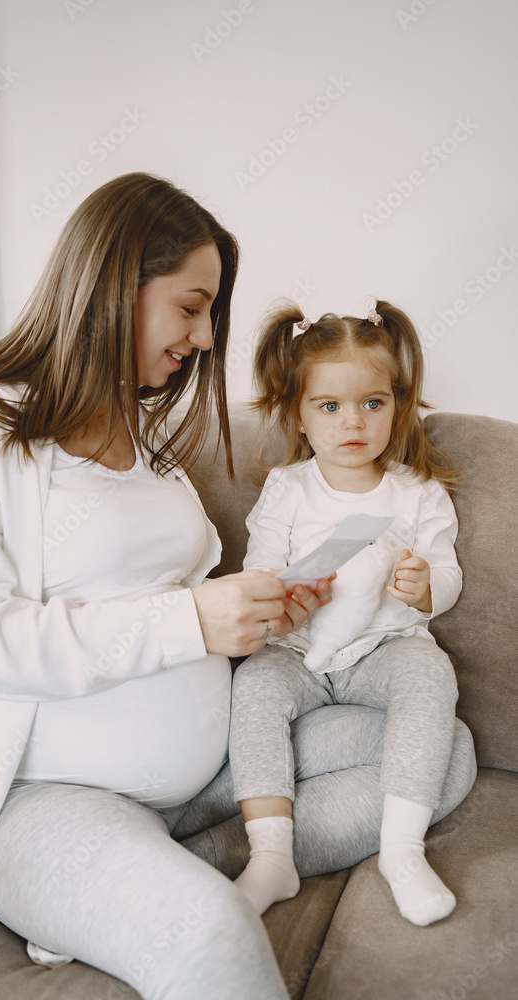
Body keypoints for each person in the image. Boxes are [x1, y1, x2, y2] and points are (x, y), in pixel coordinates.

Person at [0, 175, 475, 1000]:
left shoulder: (144, 439)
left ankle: (196, 862)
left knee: (443, 752)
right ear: (110, 287)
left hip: (205, 776)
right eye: (191, 307)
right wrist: (188, 622)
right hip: (46, 791)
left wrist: (262, 602)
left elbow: (181, 597)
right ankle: (163, 884)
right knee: (207, 938)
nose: (204, 338)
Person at [229, 299, 470, 928]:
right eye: (329, 406)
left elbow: (447, 575)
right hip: (296, 650)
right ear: (301, 416)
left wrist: (424, 588)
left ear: (398, 404)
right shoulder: (289, 488)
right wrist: (292, 586)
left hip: (382, 648)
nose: (352, 422)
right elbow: (262, 572)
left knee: (432, 677)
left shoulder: (417, 493)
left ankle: (401, 850)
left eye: (373, 403)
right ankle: (272, 855)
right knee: (252, 688)